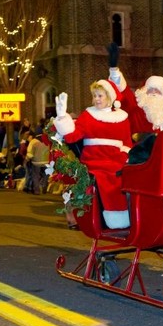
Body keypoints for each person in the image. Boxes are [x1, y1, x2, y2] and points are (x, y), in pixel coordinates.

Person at [52, 79, 133, 229]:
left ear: (109, 97)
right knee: (105, 177)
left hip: (117, 160)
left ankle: (124, 217)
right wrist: (63, 118)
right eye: (94, 95)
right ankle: (105, 221)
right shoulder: (89, 115)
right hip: (93, 160)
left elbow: (127, 143)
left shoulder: (123, 118)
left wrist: (124, 157)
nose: (96, 99)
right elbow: (73, 136)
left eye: (100, 95)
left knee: (128, 176)